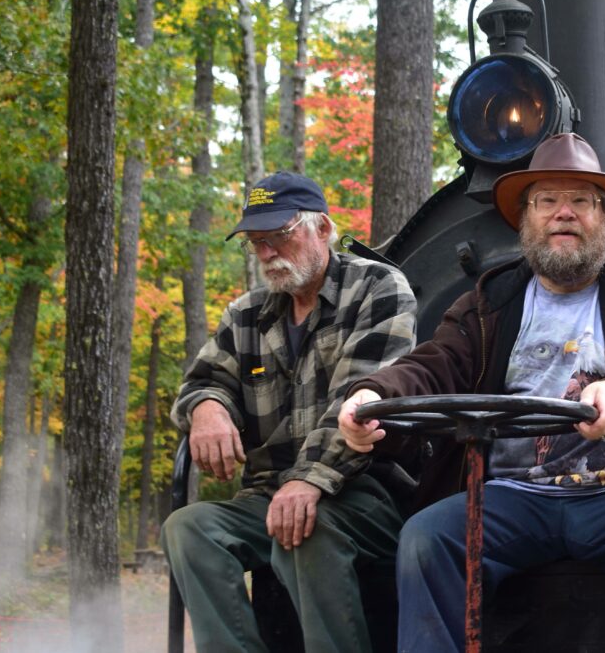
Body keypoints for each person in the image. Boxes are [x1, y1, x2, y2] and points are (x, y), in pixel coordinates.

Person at [338, 134, 605, 653]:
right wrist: (372, 394)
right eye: (547, 200)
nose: (563, 213)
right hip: (513, 496)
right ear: (525, 218)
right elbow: (435, 366)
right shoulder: (490, 300)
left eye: (581, 201)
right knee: (426, 537)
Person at [161, 171, 417, 653]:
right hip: (268, 494)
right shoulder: (246, 314)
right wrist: (207, 408)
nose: (266, 252)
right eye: (256, 241)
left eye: (280, 235)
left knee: (308, 526)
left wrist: (309, 480)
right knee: (189, 529)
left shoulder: (378, 289)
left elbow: (362, 398)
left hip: (363, 491)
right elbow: (203, 380)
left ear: (323, 228)